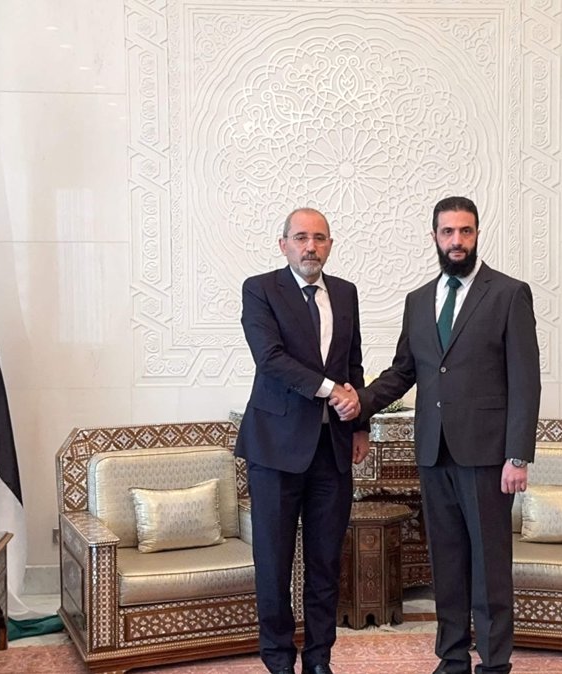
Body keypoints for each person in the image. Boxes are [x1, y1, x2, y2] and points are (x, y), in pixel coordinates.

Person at [344, 196, 540, 674]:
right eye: (448, 232)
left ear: (477, 234)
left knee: (489, 566)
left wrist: (518, 455)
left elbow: (525, 379)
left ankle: (494, 664)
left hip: (488, 455)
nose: (457, 241)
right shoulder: (418, 300)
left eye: (465, 231)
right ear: (434, 236)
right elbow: (403, 371)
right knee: (447, 563)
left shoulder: (509, 294)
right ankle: (451, 659)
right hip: (433, 452)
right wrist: (359, 403)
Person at [235, 207, 369, 674]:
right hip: (274, 448)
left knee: (325, 565)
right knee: (272, 564)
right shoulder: (260, 289)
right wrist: (333, 390)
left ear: (329, 245)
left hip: (332, 451)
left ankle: (318, 661)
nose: (310, 246)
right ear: (284, 244)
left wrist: (361, 425)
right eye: (300, 238)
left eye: (319, 238)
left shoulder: (347, 293)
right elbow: (270, 358)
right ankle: (277, 661)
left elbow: (352, 363)